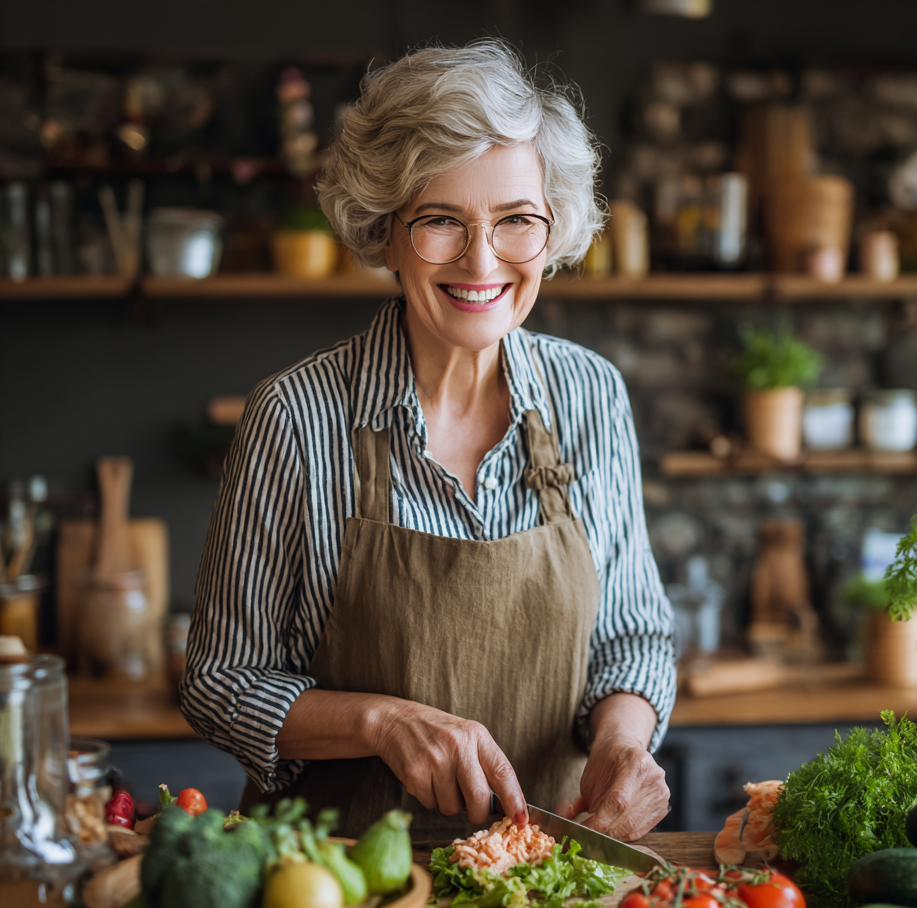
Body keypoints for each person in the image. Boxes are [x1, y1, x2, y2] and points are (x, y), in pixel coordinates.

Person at [182, 40, 675, 841]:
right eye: (442, 221)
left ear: (553, 233)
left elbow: (631, 636)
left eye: (517, 221)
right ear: (384, 232)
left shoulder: (591, 395)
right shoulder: (295, 417)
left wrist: (623, 742)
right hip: (333, 888)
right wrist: (380, 722)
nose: (483, 261)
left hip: (545, 881)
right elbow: (218, 682)